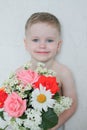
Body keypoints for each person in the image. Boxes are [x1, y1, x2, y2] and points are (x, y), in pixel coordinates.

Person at [23, 12, 77, 130]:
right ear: (26, 44)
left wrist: (52, 126)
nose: (42, 45)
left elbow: (72, 105)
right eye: (35, 40)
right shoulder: (20, 73)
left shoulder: (64, 72)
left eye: (49, 40)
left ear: (58, 45)